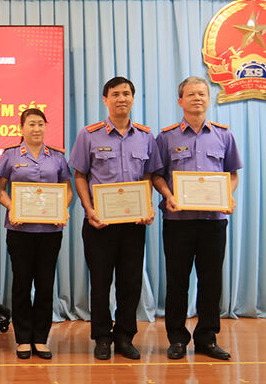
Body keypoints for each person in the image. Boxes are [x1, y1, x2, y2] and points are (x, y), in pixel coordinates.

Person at [68, 76, 162, 360]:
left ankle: (124, 336)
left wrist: (147, 206)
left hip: (133, 224)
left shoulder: (145, 136)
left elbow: (148, 175)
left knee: (130, 282)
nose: (121, 98)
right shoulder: (89, 135)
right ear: (105, 100)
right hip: (100, 223)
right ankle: (101, 336)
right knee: (100, 282)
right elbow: (80, 175)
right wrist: (89, 209)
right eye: (115, 94)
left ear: (133, 98)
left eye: (126, 93)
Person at [152, 76, 242, 360]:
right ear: (180, 100)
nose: (197, 98)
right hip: (178, 222)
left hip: (213, 221)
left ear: (208, 98)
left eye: (202, 94)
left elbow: (232, 174)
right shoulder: (166, 137)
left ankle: (207, 339)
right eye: (191, 94)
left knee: (211, 281)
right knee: (177, 281)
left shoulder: (224, 135)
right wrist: (169, 195)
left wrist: (228, 195)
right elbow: (156, 176)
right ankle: (177, 339)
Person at [0, 108, 73, 360]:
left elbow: (67, 189)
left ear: (45, 127)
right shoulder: (10, 155)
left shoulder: (57, 156)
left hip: (50, 230)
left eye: (40, 124)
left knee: (45, 284)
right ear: (21, 128)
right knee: (21, 283)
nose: (36, 129)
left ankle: (41, 338)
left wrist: (63, 209)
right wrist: (12, 207)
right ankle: (23, 339)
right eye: (31, 124)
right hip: (20, 230)